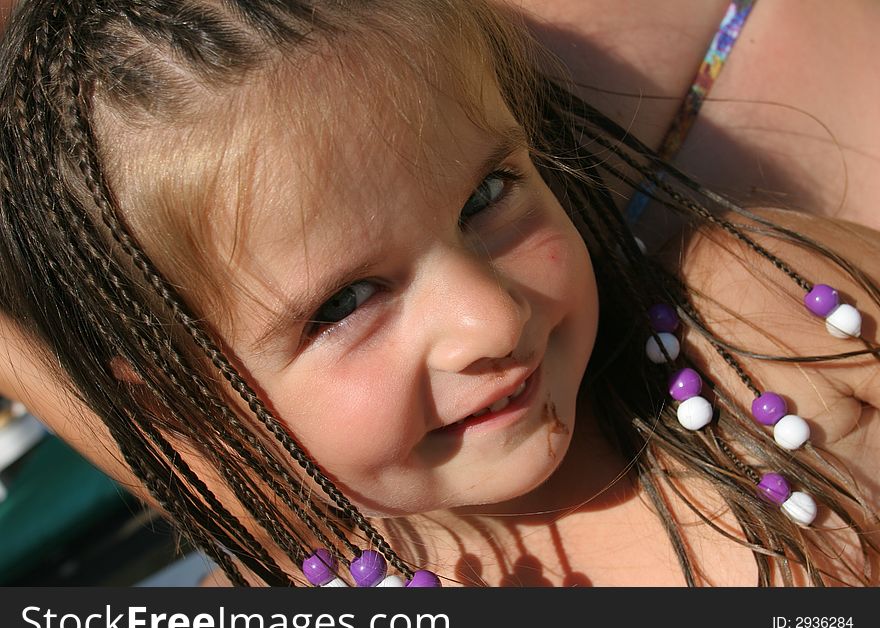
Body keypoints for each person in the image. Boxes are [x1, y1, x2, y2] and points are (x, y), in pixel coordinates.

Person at [0, 0, 877, 587]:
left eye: (487, 196)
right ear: (183, 398)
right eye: (346, 301)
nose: (492, 317)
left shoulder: (767, 324)